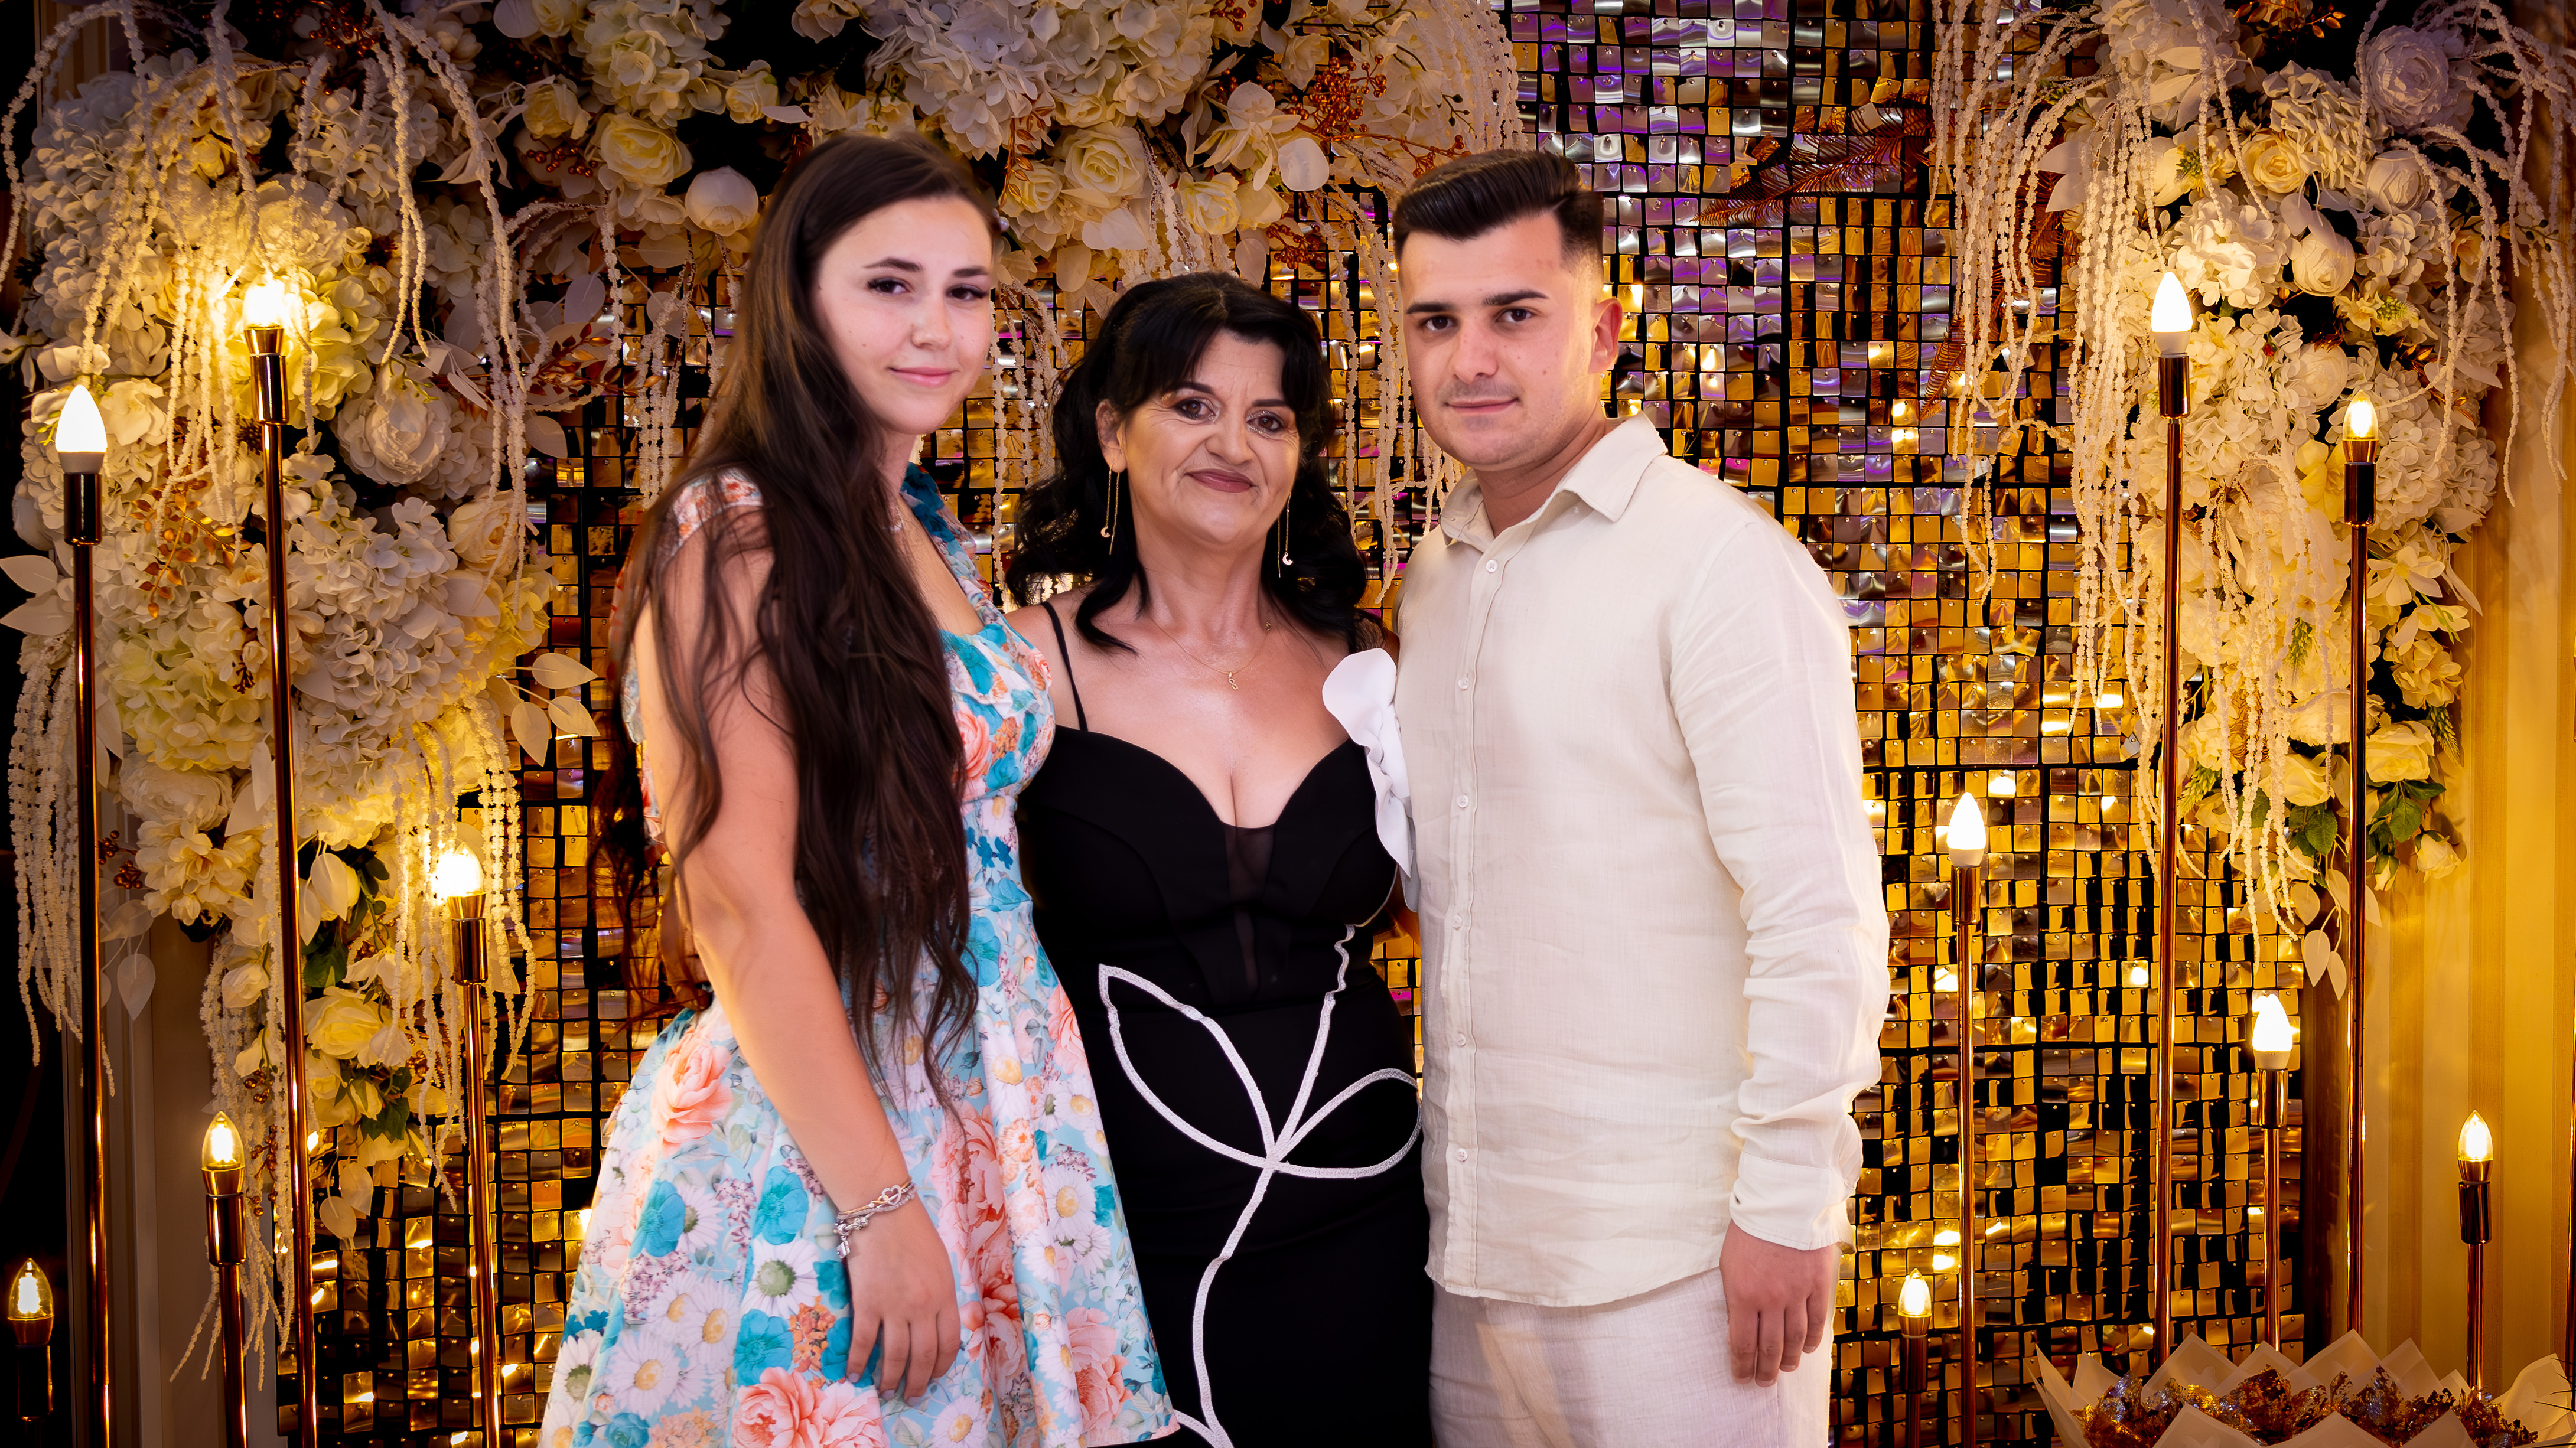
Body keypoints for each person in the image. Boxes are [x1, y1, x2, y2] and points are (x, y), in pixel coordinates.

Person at [546, 135, 1171, 1448]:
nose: (936, 327)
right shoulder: (741, 531)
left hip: (991, 1083)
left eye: (966, 291)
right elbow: (736, 894)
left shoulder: (916, 520)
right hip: (837, 1120)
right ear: (801, 301)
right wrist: (880, 1209)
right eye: (890, 285)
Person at [1388, 149, 1889, 1445]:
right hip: (1470, 1250)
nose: (1469, 359)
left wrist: (1787, 1206)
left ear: (1604, 330)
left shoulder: (1718, 563)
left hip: (1680, 1256)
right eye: (1435, 322)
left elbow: (1817, 910)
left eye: (1514, 313)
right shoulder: (1430, 580)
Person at [1005, 272, 1432, 1448]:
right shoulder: (1021, 670)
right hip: (1121, 1216)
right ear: (1111, 432)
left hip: (1366, 1193)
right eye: (1192, 406)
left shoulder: (1370, 662)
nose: (1232, 445)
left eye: (1268, 417)